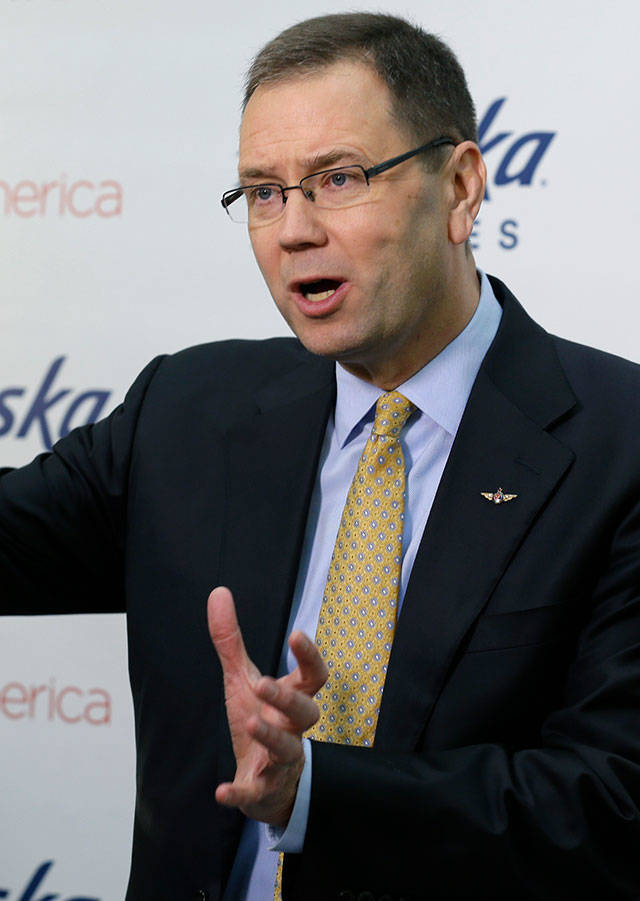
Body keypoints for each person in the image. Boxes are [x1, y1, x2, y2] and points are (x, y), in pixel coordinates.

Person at [2, 11, 640, 901]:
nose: (293, 229)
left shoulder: (621, 444)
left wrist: (318, 793)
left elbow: (615, 804)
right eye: (263, 191)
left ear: (459, 188)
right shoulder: (186, 411)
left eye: (337, 179)